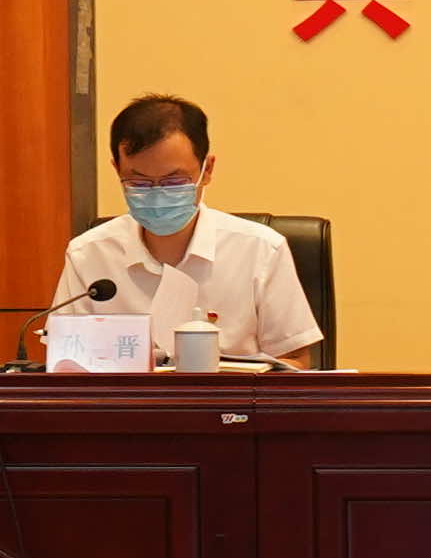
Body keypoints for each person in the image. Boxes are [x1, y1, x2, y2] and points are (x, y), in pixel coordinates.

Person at [43, 91, 325, 369]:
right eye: (138, 183)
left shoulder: (260, 250)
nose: (157, 194)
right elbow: (65, 363)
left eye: (174, 181)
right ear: (117, 169)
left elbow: (297, 361)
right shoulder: (88, 254)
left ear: (207, 169)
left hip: (227, 400)